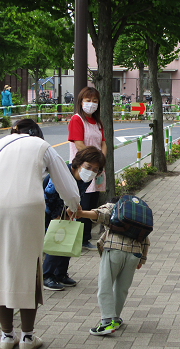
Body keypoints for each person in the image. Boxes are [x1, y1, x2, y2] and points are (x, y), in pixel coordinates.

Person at [0, 119, 80, 349]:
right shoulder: (43, 147)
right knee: (31, 267)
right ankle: (27, 338)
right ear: (37, 134)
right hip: (27, 207)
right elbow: (68, 185)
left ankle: (6, 336)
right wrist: (73, 207)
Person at [67, 197, 150, 336]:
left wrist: (81, 214)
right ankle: (115, 319)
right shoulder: (138, 214)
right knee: (121, 288)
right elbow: (146, 239)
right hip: (134, 254)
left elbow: (100, 215)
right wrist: (142, 259)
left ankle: (106, 322)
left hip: (114, 249)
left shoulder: (114, 206)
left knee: (105, 285)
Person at [43, 146, 106, 291]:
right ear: (78, 163)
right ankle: (47, 275)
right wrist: (56, 216)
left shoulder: (86, 178)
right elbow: (49, 196)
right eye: (88, 166)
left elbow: (78, 194)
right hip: (49, 212)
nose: (91, 172)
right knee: (56, 241)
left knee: (67, 241)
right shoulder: (62, 174)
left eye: (95, 169)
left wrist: (74, 209)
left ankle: (61, 274)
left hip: (67, 211)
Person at [68, 86, 107, 250]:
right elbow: (78, 144)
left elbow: (103, 143)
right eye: (88, 100)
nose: (91, 104)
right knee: (82, 200)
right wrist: (94, 159)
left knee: (92, 200)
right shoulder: (77, 119)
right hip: (83, 168)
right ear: (81, 101)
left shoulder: (98, 122)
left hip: (96, 168)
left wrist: (101, 160)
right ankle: (80, 239)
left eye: (95, 101)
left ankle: (85, 237)